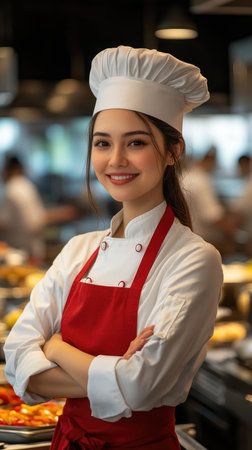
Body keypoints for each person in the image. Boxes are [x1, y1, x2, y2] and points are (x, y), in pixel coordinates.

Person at [4, 46, 223, 449]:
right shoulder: (77, 250)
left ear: (174, 151)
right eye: (102, 143)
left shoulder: (194, 259)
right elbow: (18, 359)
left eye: (136, 142)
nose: (115, 160)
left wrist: (54, 347)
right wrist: (114, 371)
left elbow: (140, 387)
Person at [0, 155, 77, 262]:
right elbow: (36, 218)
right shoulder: (26, 185)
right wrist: (59, 214)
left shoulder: (11, 188)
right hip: (32, 249)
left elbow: (5, 223)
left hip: (20, 251)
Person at [181, 146, 235, 249]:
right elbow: (212, 215)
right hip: (203, 239)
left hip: (187, 237)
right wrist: (233, 233)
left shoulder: (186, 175)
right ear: (210, 160)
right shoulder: (201, 179)